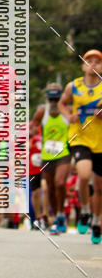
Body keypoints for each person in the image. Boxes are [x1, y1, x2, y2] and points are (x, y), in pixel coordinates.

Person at [59, 49, 102, 245]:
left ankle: (96, 221)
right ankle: (84, 210)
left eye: (98, 61)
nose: (93, 64)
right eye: (89, 60)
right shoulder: (73, 86)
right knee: (84, 176)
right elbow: (62, 103)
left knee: (99, 187)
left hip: (100, 140)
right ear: (83, 65)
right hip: (80, 137)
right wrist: (69, 117)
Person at [32, 83, 70, 234]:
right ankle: (56, 216)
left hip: (64, 153)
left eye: (56, 99)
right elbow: (34, 128)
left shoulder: (67, 111)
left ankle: (60, 214)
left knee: (60, 183)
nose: (54, 103)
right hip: (47, 156)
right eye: (51, 100)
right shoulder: (42, 112)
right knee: (51, 188)